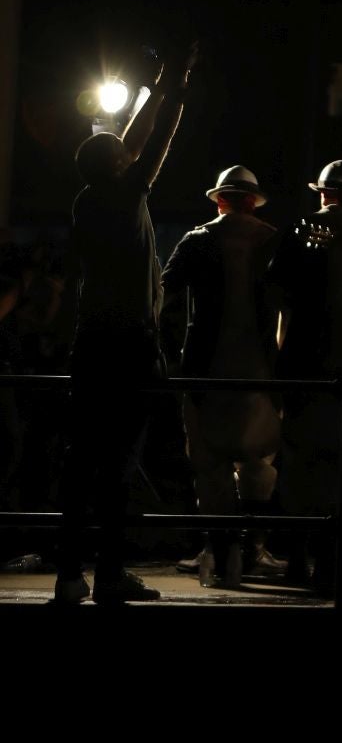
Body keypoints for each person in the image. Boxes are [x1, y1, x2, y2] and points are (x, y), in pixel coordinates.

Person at [53, 42, 199, 607]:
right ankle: (111, 574)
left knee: (81, 460)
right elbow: (155, 139)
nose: (130, 152)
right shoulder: (129, 193)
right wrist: (174, 84)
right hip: (131, 344)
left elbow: (135, 142)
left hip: (90, 343)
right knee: (118, 463)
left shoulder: (88, 201)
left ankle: (70, 575)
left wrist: (162, 83)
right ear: (120, 165)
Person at [268, 159, 342, 593]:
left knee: (300, 463)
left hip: (305, 365)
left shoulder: (300, 232)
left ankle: (298, 558)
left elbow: (277, 296)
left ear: (322, 193)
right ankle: (340, 559)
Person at [161, 166, 281, 588]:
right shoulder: (272, 240)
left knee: (208, 466)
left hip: (204, 369)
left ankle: (220, 549)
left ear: (218, 200)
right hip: (262, 371)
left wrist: (169, 353)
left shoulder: (197, 240)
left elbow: (166, 294)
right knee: (259, 462)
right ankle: (252, 548)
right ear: (251, 200)